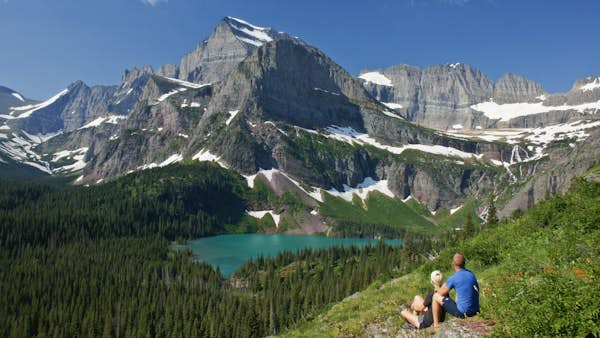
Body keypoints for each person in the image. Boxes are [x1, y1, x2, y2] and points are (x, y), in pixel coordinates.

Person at [432, 253, 480, 329]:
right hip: (475, 311)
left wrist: (436, 285)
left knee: (435, 297)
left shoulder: (453, 278)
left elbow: (441, 293)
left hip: (463, 313)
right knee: (459, 292)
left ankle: (436, 325)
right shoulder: (471, 274)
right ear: (464, 263)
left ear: (453, 264)